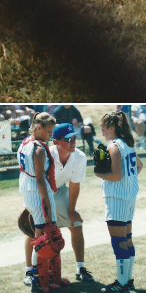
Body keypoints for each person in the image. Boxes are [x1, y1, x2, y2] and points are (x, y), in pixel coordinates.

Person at [23, 122, 94, 285]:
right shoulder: (46, 153)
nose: (73, 142)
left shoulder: (80, 157)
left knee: (76, 224)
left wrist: (72, 210)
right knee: (34, 230)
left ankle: (80, 269)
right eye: (68, 139)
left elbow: (75, 185)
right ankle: (29, 271)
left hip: (59, 190)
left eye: (74, 138)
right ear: (56, 141)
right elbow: (38, 180)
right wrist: (42, 205)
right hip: (39, 192)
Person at [96, 111, 143, 293]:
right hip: (129, 197)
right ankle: (128, 281)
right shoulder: (128, 144)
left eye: (103, 129)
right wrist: (128, 181)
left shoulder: (114, 146)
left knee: (118, 241)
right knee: (127, 240)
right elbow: (139, 165)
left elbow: (115, 175)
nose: (102, 133)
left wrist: (98, 173)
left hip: (117, 199)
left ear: (111, 128)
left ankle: (121, 284)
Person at [17, 112, 63, 291]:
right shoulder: (37, 148)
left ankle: (46, 274)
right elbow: (39, 179)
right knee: (42, 239)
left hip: (30, 193)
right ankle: (38, 276)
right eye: (49, 131)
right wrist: (48, 203)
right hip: (38, 194)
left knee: (41, 236)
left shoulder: (25, 143)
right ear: (38, 128)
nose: (51, 135)